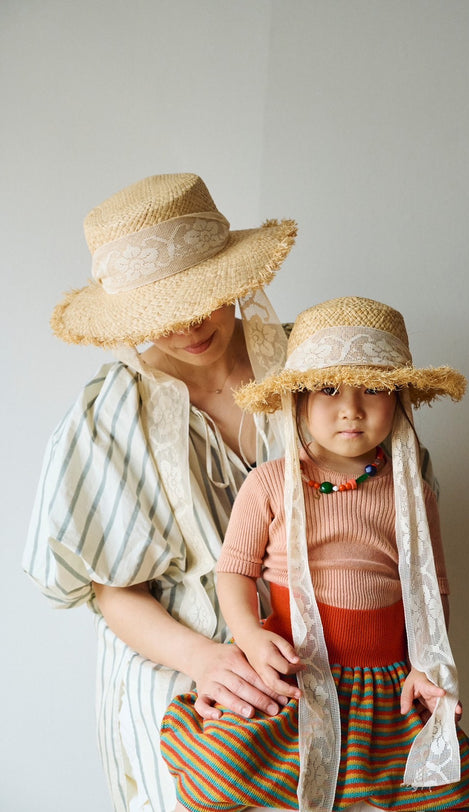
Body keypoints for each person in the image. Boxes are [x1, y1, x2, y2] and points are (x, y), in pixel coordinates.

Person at [22, 172, 298, 812]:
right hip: (185, 673)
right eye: (159, 313)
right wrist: (206, 660)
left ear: (229, 275)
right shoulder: (113, 414)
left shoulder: (311, 367)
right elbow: (113, 587)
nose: (187, 326)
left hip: (325, 657)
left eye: (200, 296)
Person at [161, 296, 469, 812]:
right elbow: (234, 573)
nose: (351, 408)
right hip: (296, 670)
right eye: (330, 389)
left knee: (453, 789)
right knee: (226, 770)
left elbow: (430, 592)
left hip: (383, 681)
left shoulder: (414, 494)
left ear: (400, 400)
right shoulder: (269, 484)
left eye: (374, 390)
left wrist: (427, 662)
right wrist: (249, 637)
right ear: (298, 401)